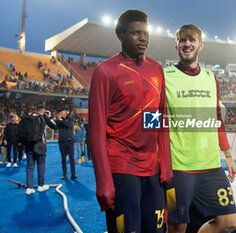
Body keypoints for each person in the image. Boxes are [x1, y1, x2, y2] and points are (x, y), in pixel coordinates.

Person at [88, 9, 173, 233]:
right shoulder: (105, 71)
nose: (143, 38)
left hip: (152, 171)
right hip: (121, 169)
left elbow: (159, 121)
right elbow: (96, 132)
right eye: (136, 33)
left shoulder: (156, 69)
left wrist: (166, 166)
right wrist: (103, 180)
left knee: (155, 230)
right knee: (125, 230)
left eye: (145, 33)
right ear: (121, 36)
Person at [164, 24, 236, 233]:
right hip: (178, 167)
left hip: (211, 166)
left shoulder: (210, 78)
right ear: (176, 44)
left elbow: (216, 118)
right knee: (177, 227)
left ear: (200, 45)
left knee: (229, 222)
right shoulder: (164, 76)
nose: (187, 44)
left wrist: (228, 154)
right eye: (182, 40)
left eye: (192, 40)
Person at [25, 104, 57, 195]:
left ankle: (29, 187)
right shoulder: (43, 118)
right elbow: (55, 126)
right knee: (41, 164)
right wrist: (50, 117)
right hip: (39, 144)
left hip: (29, 144)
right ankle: (41, 185)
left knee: (30, 166)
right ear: (43, 111)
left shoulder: (28, 117)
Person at [55, 107, 76, 180]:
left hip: (70, 141)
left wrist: (60, 120)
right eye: (59, 111)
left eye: (61, 111)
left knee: (71, 158)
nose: (60, 113)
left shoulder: (70, 119)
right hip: (62, 141)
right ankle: (64, 174)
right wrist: (57, 120)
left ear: (65, 112)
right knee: (63, 158)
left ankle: (73, 174)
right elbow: (55, 127)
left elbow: (68, 125)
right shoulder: (59, 121)